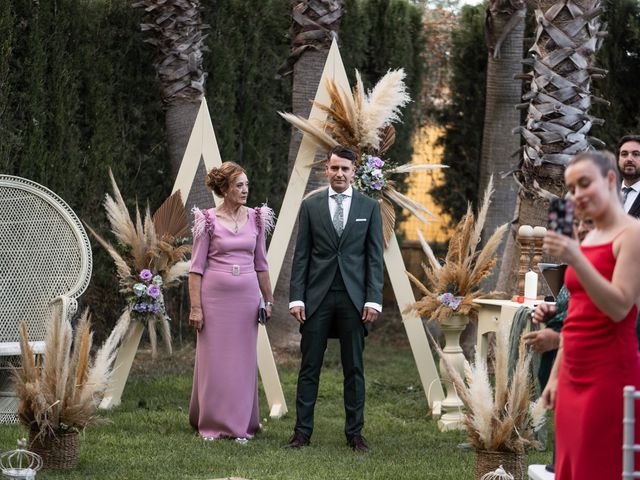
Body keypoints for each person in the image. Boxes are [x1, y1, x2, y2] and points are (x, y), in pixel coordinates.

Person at [542, 150, 640, 479]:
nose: (577, 195)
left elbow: (619, 306)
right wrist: (556, 375)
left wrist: (575, 257)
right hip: (572, 373)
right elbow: (576, 316)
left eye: (585, 183)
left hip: (609, 373)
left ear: (610, 180)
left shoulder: (633, 235)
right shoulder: (589, 237)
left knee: (598, 466)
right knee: (571, 466)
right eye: (571, 188)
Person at [286, 145, 384, 453]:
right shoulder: (311, 206)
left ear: (355, 172)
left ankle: (355, 434)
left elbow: (374, 258)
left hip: (355, 301)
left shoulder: (369, 207)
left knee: (354, 368)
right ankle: (301, 433)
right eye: (334, 168)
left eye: (345, 168)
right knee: (309, 367)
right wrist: (296, 298)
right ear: (326, 170)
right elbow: (301, 256)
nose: (339, 173)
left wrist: (373, 299)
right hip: (316, 298)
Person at [188, 161, 274, 441]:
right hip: (214, 299)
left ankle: (240, 425)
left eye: (247, 185)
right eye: (239, 185)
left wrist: (268, 299)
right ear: (224, 189)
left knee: (242, 362)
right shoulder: (207, 219)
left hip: (247, 300)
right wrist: (196, 307)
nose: (245, 190)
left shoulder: (257, 218)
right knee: (214, 361)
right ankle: (211, 423)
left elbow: (261, 263)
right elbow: (196, 268)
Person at [524, 217, 594, 389]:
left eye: (589, 222)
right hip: (571, 363)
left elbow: (600, 316)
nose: (581, 229)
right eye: (577, 223)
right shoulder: (578, 261)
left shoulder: (607, 263)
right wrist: (553, 311)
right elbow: (572, 304)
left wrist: (557, 339)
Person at [617, 134, 640, 217]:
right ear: (618, 159)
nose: (629, 159)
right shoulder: (605, 195)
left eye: (636, 154)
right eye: (624, 154)